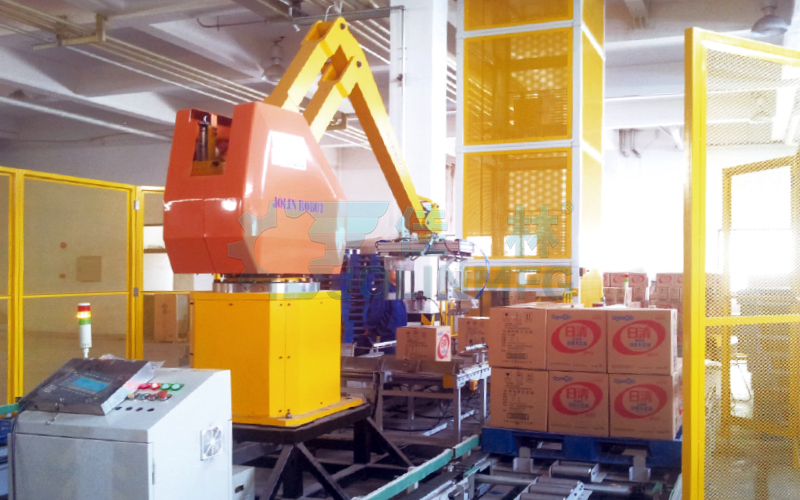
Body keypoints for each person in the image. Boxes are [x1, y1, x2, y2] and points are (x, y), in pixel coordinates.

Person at [354, 269, 407, 356]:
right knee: (387, 361)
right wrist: (370, 328)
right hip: (387, 338)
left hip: (397, 337)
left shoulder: (395, 290)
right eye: (395, 270)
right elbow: (375, 312)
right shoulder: (382, 290)